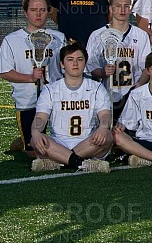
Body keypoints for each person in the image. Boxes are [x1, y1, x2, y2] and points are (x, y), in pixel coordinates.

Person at [0, 0, 65, 154]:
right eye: (33, 10)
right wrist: (30, 77)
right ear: (25, 12)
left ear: (48, 11)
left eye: (42, 10)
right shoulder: (12, 40)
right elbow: (4, 72)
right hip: (27, 102)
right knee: (35, 151)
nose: (38, 14)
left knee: (64, 143)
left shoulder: (59, 37)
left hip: (56, 100)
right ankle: (25, 142)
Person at [29, 42, 112, 173]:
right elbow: (40, 117)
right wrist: (35, 132)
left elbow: (105, 115)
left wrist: (103, 127)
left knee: (107, 135)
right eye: (70, 60)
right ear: (62, 64)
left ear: (85, 64)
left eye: (80, 60)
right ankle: (82, 163)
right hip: (59, 143)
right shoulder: (51, 89)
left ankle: (59, 161)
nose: (75, 64)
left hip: (89, 142)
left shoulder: (96, 88)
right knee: (36, 140)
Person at [86, 0, 151, 121]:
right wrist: (103, 72)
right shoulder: (97, 35)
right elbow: (91, 68)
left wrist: (138, 88)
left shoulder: (141, 35)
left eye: (126, 6)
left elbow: (146, 68)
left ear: (131, 9)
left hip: (132, 92)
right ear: (110, 8)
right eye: (118, 6)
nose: (122, 10)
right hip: (106, 93)